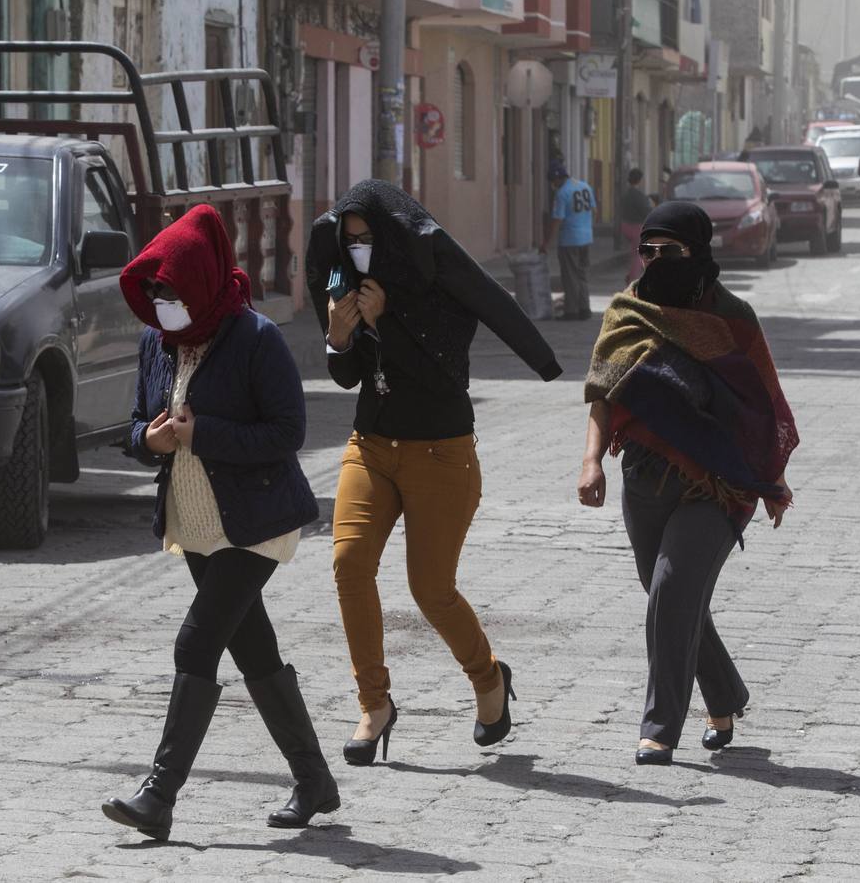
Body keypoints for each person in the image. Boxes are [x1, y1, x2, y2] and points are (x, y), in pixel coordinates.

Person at [101, 204, 338, 840]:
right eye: (153, 291)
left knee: (196, 642)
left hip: (256, 520)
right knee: (252, 646)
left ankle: (159, 796)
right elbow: (134, 426)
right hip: (196, 520)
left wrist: (203, 433)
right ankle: (314, 779)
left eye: (170, 290)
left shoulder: (256, 338)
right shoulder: (157, 339)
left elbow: (288, 432)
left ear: (203, 280)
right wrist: (148, 442)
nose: (162, 302)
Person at [306, 180, 563, 765]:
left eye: (369, 239)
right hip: (370, 445)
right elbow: (347, 377)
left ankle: (488, 677)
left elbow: (443, 372)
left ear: (393, 237)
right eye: (350, 242)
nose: (359, 250)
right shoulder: (349, 285)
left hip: (440, 452)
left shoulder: (434, 286)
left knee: (431, 589)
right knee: (348, 565)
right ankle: (374, 704)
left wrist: (389, 319)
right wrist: (339, 336)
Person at [576, 201, 799, 766]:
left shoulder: (733, 318)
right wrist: (592, 462)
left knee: (673, 593)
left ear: (697, 252)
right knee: (670, 599)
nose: (654, 262)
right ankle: (724, 696)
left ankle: (659, 730)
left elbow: (761, 405)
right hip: (643, 477)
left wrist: (769, 480)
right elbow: (604, 392)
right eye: (646, 251)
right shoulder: (628, 311)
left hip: (716, 487)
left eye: (668, 252)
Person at [540, 158, 596, 321]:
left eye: (552, 181)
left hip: (570, 239)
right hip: (586, 237)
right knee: (582, 274)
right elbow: (594, 211)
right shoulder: (584, 186)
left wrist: (546, 243)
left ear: (557, 178)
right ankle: (585, 308)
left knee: (570, 276)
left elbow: (557, 220)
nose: (553, 184)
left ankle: (571, 311)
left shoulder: (562, 193)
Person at [619, 168, 654, 284]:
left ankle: (631, 274)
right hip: (636, 227)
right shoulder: (640, 196)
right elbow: (646, 211)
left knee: (634, 253)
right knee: (637, 254)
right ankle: (632, 279)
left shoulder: (625, 195)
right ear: (640, 180)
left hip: (625, 225)